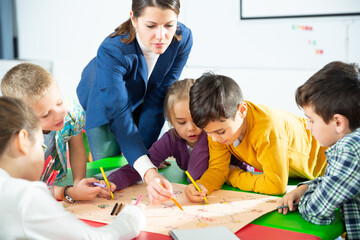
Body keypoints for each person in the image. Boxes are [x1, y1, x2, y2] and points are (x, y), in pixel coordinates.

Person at [76, 0, 193, 204]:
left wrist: (147, 161)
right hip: (103, 101)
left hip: (142, 95)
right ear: (134, 19)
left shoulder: (182, 38)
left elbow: (158, 98)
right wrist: (149, 172)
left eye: (168, 25)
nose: (161, 36)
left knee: (137, 164)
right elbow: (119, 116)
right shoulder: (112, 50)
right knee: (108, 169)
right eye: (151, 26)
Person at [0, 96, 145, 239]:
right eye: (41, 145)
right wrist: (132, 217)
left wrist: (68, 192)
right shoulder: (26, 197)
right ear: (22, 142)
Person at [186, 72, 328, 202]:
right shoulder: (218, 127)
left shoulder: (267, 128)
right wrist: (202, 185)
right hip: (301, 177)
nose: (214, 139)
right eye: (207, 133)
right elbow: (218, 169)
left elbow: (275, 185)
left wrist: (233, 175)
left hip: (326, 166)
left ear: (241, 111)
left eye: (220, 132)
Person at [106, 78, 252, 191]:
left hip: (237, 182)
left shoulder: (213, 135)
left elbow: (195, 176)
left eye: (197, 121)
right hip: (206, 188)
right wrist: (112, 182)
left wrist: (203, 137)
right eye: (181, 122)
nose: (191, 129)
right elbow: (145, 165)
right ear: (171, 121)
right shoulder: (172, 138)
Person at [1, 63, 115, 202]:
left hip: (56, 182)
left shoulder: (72, 112)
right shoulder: (13, 142)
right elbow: (26, 189)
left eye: (59, 102)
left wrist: (79, 182)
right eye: (45, 115)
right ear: (22, 119)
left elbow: (77, 148)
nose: (59, 114)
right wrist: (68, 192)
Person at [278, 61, 360, 240]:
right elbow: (334, 180)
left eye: (311, 120)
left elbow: (317, 212)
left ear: (338, 122)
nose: (307, 126)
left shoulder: (349, 150)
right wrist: (305, 188)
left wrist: (305, 200)